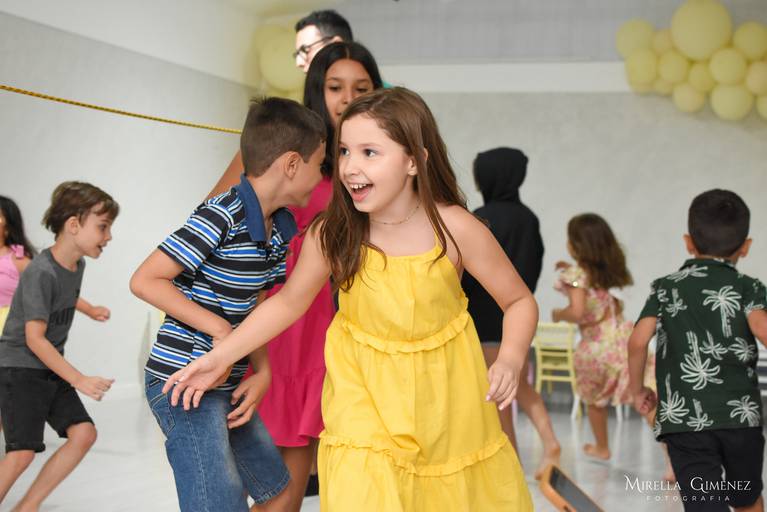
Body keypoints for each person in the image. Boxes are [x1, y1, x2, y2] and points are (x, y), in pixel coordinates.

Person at [162, 87, 536, 511]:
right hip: (363, 399)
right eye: (343, 152)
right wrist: (221, 356)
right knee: (363, 492)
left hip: (446, 402)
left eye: (369, 152)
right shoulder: (335, 233)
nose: (350, 167)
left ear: (414, 160)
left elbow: (519, 301)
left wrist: (510, 358)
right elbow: (287, 303)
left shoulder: (456, 229)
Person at [208, 42, 383, 511]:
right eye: (335, 87)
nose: (347, 98)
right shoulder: (282, 147)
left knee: (288, 492)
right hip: (259, 304)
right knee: (235, 480)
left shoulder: (368, 164)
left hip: (319, 321)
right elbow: (214, 217)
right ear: (316, 89)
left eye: (361, 88)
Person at [129, 97, 326, 512]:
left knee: (279, 492)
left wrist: (263, 371)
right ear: (292, 164)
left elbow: (258, 309)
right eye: (320, 165)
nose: (322, 177)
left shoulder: (279, 230)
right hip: (183, 384)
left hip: (228, 385)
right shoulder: (221, 214)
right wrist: (220, 330)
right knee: (219, 503)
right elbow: (145, 280)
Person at [629, 189, 767, 511]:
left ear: (688, 242)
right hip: (741, 419)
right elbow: (763, 330)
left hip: (685, 422)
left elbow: (637, 341)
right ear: (745, 247)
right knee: (747, 499)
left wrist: (637, 390)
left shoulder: (665, 287)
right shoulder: (749, 287)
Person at [0, 182, 118, 509]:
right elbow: (34, 338)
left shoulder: (76, 266)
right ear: (74, 225)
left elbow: (64, 297)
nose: (109, 236)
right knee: (22, 452)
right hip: (20, 367)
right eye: (103, 227)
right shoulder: (40, 271)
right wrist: (79, 379)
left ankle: (27, 507)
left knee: (84, 433)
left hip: (47, 367)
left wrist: (90, 309)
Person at [461, 147, 560, 479]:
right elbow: (533, 266)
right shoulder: (528, 218)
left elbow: (466, 273)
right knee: (519, 386)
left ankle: (515, 460)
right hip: (518, 315)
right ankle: (545, 444)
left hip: (485, 317)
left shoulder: (480, 218)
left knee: (499, 392)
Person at [552, 213, 638, 460]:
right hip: (624, 339)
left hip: (595, 347)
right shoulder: (608, 273)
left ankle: (602, 447)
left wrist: (558, 314)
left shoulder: (576, 276)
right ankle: (672, 460)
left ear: (576, 245)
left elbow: (578, 312)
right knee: (644, 398)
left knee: (594, 400)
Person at [0, 196, 36, 332]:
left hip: (8, 333)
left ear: (8, 228)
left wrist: (90, 309)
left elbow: (52, 288)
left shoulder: (18, 261)